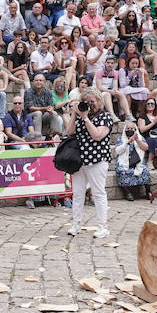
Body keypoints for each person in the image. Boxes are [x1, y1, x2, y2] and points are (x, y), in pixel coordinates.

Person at [65, 87, 113, 238]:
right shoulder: (80, 115)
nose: (90, 105)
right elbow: (69, 132)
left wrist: (85, 118)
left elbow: (97, 135)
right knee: (77, 193)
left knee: (98, 193)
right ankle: (76, 224)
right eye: (86, 102)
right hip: (80, 160)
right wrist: (74, 113)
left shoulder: (105, 116)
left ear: (99, 101)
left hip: (98, 159)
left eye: (92, 102)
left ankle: (102, 226)